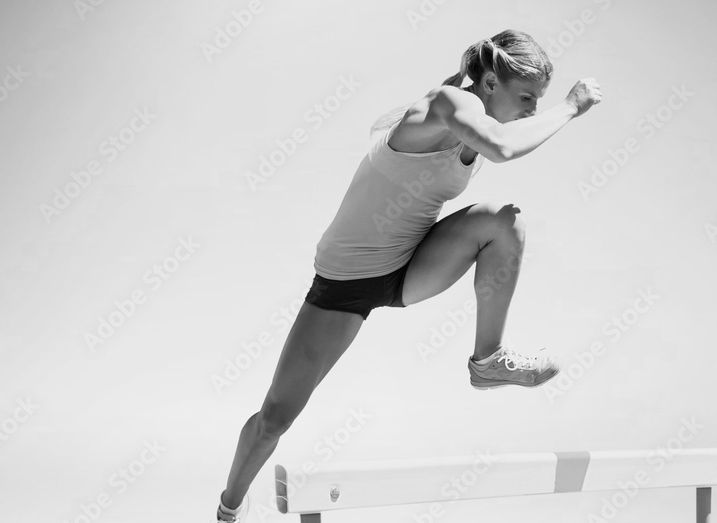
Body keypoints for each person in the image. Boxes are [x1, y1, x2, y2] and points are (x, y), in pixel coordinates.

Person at [215, 28, 602, 523]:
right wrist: (569, 106)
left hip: (409, 268)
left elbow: (500, 144)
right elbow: (504, 146)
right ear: (487, 83)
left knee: (503, 221)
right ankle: (228, 509)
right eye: (526, 97)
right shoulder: (446, 104)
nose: (530, 109)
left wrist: (549, 107)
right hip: (344, 285)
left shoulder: (473, 128)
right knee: (275, 418)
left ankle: (488, 361)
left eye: (537, 102)